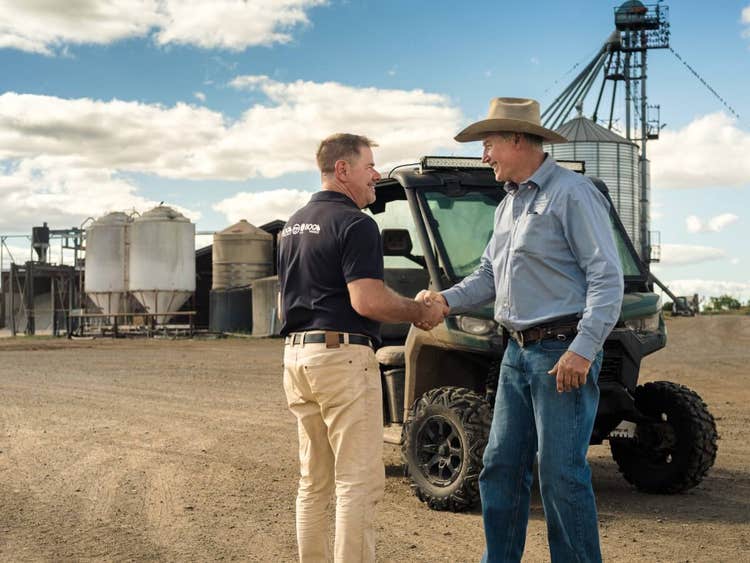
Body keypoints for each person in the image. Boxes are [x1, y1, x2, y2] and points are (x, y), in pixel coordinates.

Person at [417, 98, 623, 562]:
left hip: (562, 353)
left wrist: (583, 349)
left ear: (516, 139)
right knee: (500, 467)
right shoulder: (507, 205)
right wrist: (445, 301)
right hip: (515, 353)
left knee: (560, 474)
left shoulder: (572, 193)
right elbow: (489, 276)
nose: (484, 156)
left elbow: (605, 277)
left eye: (488, 145)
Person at [278, 133, 447, 563]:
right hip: (341, 359)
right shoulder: (356, 223)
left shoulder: (292, 225)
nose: (376, 175)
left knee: (313, 482)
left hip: (298, 358)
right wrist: (417, 310)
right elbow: (367, 301)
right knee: (358, 482)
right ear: (342, 170)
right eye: (369, 165)